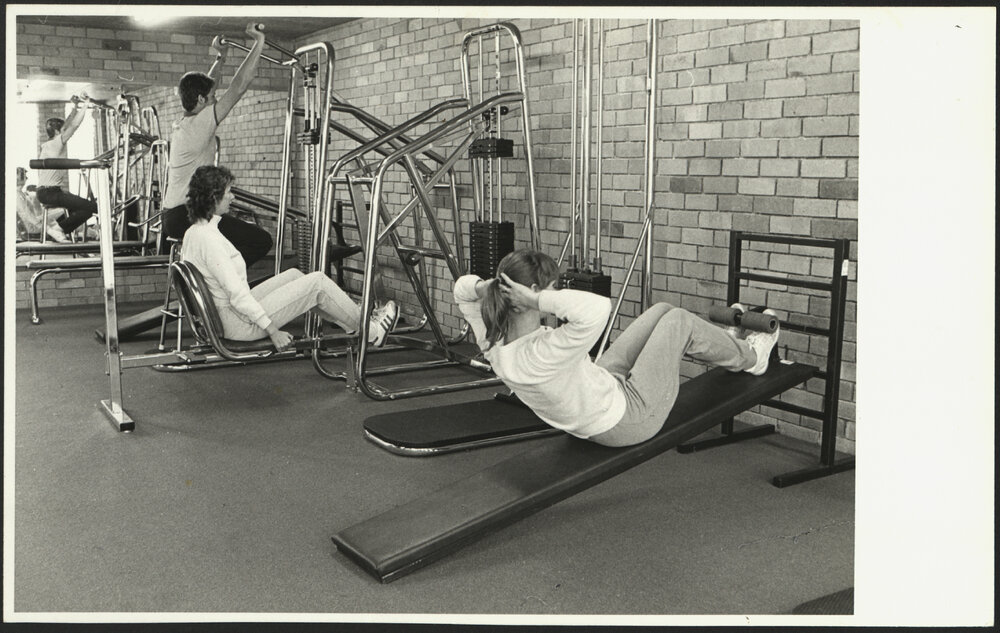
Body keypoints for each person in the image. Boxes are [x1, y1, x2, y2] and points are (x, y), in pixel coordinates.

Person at [453, 249, 781, 448]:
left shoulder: (493, 343)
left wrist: (487, 285)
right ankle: (753, 359)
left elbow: (461, 291)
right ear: (534, 293)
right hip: (627, 419)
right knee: (679, 321)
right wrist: (537, 299)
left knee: (662, 311)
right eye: (551, 290)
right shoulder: (545, 351)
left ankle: (730, 344)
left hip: (601, 392)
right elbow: (597, 309)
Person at [180, 165, 399, 351]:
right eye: (228, 192)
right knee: (317, 283)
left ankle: (350, 321)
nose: (233, 197)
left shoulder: (195, 232)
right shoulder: (210, 240)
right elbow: (237, 295)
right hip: (238, 323)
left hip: (229, 314)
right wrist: (272, 331)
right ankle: (372, 332)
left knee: (294, 275)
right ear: (213, 197)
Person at [161, 22, 272, 266]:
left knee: (232, 240)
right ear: (201, 100)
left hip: (177, 214)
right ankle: (215, 279)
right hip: (186, 214)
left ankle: (213, 276)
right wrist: (258, 43)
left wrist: (221, 56)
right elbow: (240, 85)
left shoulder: (188, 121)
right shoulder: (199, 125)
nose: (216, 100)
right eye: (211, 98)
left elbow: (211, 84)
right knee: (261, 241)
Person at [34, 92, 97, 242]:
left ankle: (71, 233)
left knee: (79, 207)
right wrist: (86, 105)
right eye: (62, 130)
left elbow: (67, 124)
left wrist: (75, 107)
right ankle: (58, 229)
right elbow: (73, 126)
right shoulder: (56, 144)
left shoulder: (49, 144)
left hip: (48, 192)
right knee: (90, 207)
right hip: (49, 193)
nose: (65, 131)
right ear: (57, 131)